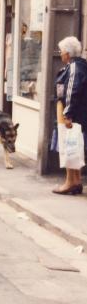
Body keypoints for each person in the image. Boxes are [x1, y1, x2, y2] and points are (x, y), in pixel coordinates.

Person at [52, 36, 87, 195]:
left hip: (71, 115)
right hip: (75, 114)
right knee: (74, 147)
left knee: (69, 147)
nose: (60, 54)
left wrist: (67, 114)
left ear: (67, 53)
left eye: (61, 51)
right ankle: (76, 181)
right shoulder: (77, 66)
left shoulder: (74, 68)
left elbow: (73, 91)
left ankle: (70, 182)